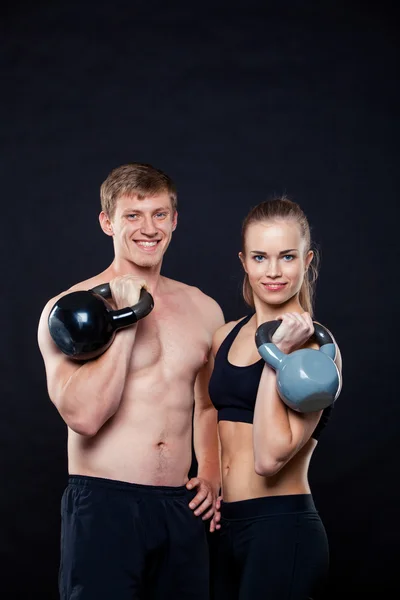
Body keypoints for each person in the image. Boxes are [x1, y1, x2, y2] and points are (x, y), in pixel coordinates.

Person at [37, 163, 224, 600]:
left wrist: (213, 473)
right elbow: (84, 417)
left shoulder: (204, 309)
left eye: (160, 214)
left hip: (179, 509)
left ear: (174, 221)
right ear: (107, 222)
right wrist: (126, 317)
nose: (149, 228)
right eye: (133, 216)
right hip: (103, 505)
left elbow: (208, 403)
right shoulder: (68, 310)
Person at [209, 197, 343, 599]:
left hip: (282, 530)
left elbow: (269, 458)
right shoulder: (225, 335)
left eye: (287, 257)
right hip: (226, 528)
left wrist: (274, 356)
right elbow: (207, 412)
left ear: (307, 261)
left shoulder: (318, 352)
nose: (272, 271)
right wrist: (212, 480)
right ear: (243, 261)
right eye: (259, 257)